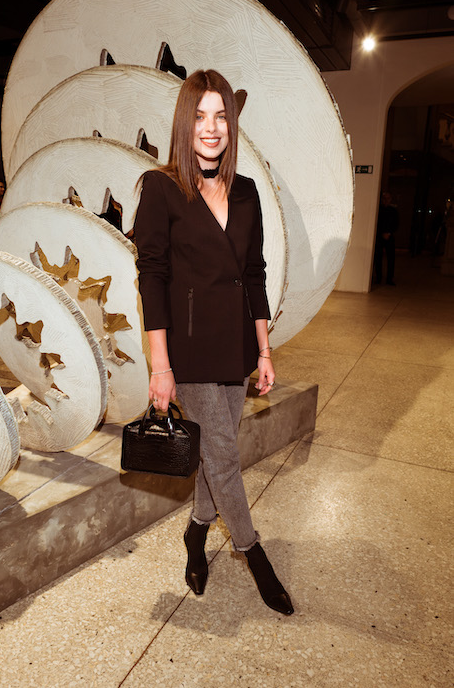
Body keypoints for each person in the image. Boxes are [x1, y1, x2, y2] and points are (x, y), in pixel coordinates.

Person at [134, 70, 293, 615]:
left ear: (231, 124)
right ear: (185, 123)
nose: (211, 127)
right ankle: (254, 554)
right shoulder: (161, 188)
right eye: (200, 116)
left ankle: (197, 529)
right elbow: (152, 277)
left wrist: (264, 350)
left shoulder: (246, 191)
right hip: (191, 349)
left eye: (221, 115)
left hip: (236, 348)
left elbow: (254, 274)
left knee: (214, 450)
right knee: (224, 457)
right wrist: (160, 366)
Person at [374, 191, 399, 285]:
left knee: (391, 258)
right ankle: (378, 277)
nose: (386, 200)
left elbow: (396, 224)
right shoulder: (378, 210)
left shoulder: (394, 211)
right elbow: (376, 223)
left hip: (390, 236)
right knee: (378, 258)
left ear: (390, 199)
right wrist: (381, 233)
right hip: (379, 237)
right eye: (384, 198)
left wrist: (388, 233)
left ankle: (389, 279)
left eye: (388, 199)